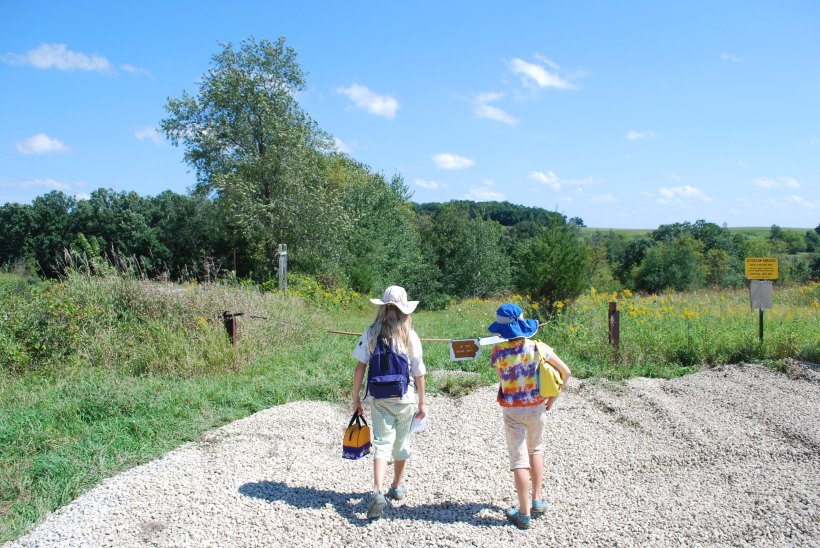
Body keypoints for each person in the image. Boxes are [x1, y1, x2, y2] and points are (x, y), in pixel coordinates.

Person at [487, 302, 571, 530]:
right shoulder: (538, 346)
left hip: (512, 410)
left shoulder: (497, 352)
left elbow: (501, 378)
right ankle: (537, 500)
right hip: (537, 407)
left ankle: (523, 514)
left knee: (519, 459)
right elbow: (566, 372)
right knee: (536, 450)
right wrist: (553, 397)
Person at [352, 285, 427, 520]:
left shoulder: (371, 332)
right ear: (405, 310)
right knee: (401, 443)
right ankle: (396, 486)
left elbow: (360, 367)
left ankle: (377, 491)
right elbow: (419, 371)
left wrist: (356, 398)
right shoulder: (409, 335)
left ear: (383, 307)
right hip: (405, 398)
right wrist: (422, 402)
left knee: (382, 444)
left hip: (379, 397)